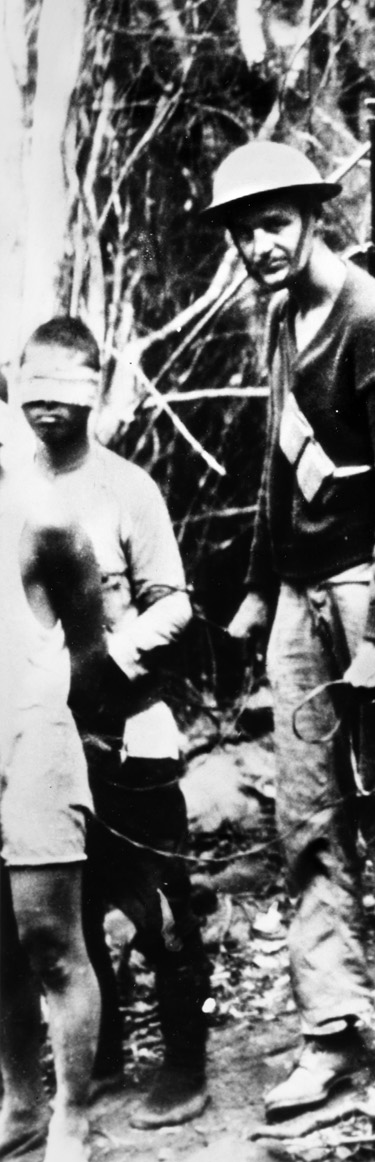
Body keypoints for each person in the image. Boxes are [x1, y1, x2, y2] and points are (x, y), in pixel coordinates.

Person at [208, 141, 375, 1117]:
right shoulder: (282, 318)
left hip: (369, 594)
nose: (262, 244)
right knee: (305, 821)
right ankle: (335, 1031)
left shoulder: (372, 316)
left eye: (276, 222)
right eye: (245, 230)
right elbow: (281, 471)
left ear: (312, 217)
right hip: (299, 599)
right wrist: (254, 588)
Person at [17, 318, 211, 1129]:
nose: (46, 410)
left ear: (94, 391)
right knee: (72, 900)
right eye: (33, 391)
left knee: (158, 901)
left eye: (65, 393)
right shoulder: (14, 485)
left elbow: (174, 604)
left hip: (124, 721)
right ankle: (95, 1058)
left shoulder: (126, 487)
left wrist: (103, 665)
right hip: (39, 733)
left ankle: (186, 1061)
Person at [0, 403, 110, 1162]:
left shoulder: (39, 516)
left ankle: (74, 1114)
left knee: (50, 938)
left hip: (31, 735)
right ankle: (21, 1103)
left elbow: (90, 634)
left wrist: (41, 710)